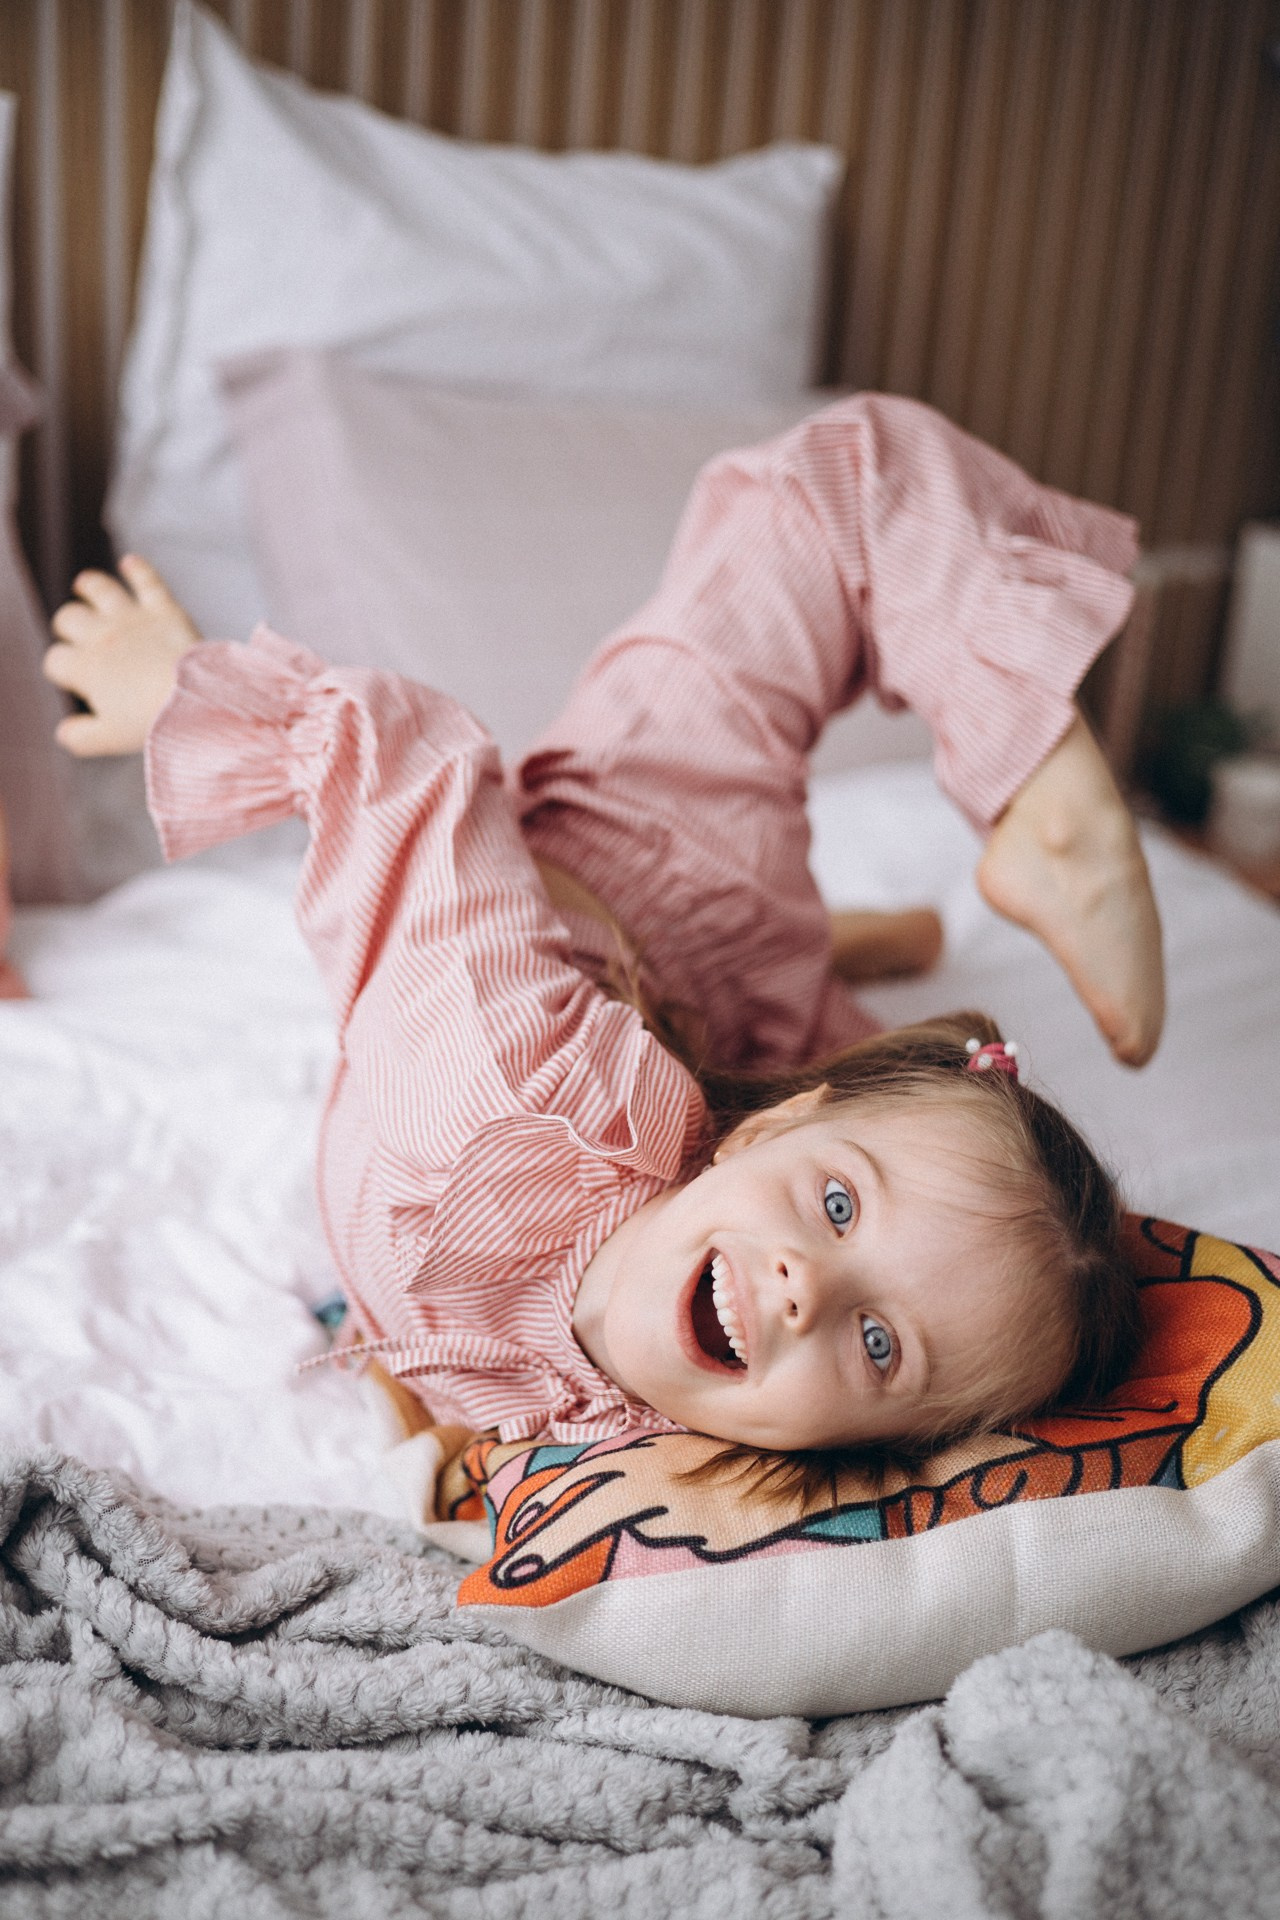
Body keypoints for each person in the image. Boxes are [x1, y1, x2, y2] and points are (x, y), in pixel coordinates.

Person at [43, 395, 1162, 1459]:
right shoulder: (492, 1089)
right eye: (836, 1205)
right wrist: (203, 698)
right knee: (837, 488)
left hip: (721, 1018)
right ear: (767, 1131)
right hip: (653, 847)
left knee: (810, 1048)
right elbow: (412, 765)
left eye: (879, 1345)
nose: (804, 1290)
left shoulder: (698, 1445)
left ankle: (823, 951)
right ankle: (1047, 799)